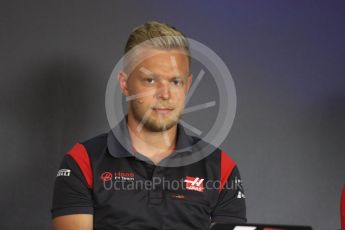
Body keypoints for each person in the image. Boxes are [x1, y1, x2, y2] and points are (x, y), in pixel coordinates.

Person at [51, 21, 246, 230]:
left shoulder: (221, 168)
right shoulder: (82, 162)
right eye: (150, 80)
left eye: (175, 82)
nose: (165, 94)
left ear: (187, 86)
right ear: (125, 84)